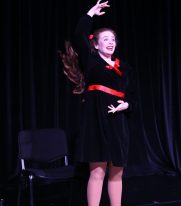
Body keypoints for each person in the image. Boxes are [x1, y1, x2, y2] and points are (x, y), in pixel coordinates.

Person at [59, 1, 135, 205]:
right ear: (96, 44)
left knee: (117, 172)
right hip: (96, 121)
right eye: (105, 39)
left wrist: (126, 105)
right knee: (98, 172)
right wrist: (90, 13)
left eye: (113, 39)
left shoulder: (125, 67)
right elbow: (78, 36)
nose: (110, 42)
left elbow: (133, 95)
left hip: (118, 122)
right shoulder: (92, 61)